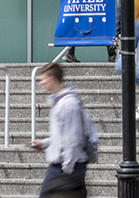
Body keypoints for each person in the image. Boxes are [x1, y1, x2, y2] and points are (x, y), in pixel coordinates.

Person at [30, 62, 93, 198]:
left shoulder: (67, 104)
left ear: (52, 79)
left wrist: (67, 170)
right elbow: (64, 135)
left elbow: (73, 139)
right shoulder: (60, 102)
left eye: (43, 79)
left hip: (65, 167)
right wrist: (46, 143)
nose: (41, 83)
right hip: (63, 166)